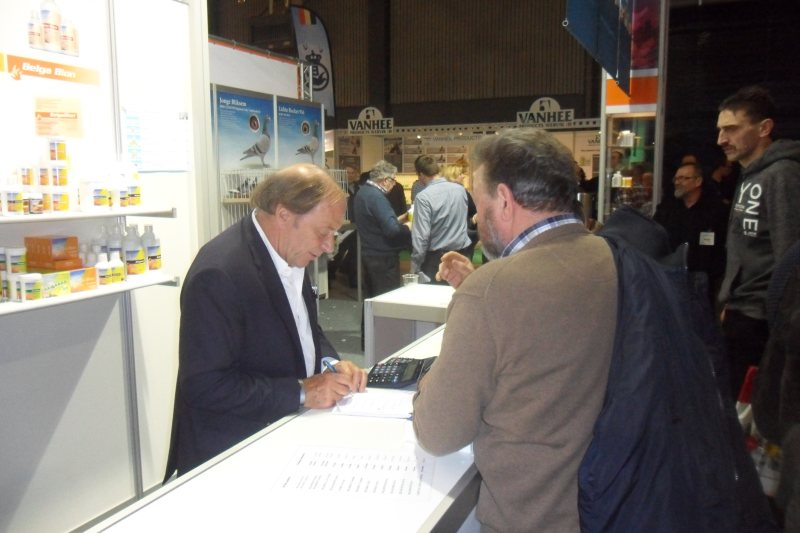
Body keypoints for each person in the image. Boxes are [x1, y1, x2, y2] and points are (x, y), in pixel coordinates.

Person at [413, 128, 619, 530]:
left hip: (529, 516)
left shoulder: (491, 290)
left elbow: (437, 432)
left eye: (478, 202)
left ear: (504, 200)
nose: (476, 217)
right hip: (611, 504)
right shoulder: (614, 257)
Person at [164, 164, 367, 479]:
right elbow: (205, 386)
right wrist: (301, 392)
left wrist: (330, 364)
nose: (330, 246)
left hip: (281, 436)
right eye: (323, 232)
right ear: (284, 214)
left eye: (334, 233)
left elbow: (304, 328)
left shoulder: (290, 250)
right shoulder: (219, 274)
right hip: (231, 456)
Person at [716, 85, 800, 397]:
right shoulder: (750, 174)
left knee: (750, 409)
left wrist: (782, 325)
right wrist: (729, 302)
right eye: (720, 130)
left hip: (764, 321)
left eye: (731, 129)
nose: (721, 139)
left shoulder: (782, 174)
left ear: (764, 128)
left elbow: (790, 256)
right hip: (742, 313)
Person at [654, 162, 728, 307]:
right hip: (671, 275)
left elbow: (724, 243)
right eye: (676, 178)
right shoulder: (667, 208)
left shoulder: (716, 209)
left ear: (698, 181)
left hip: (704, 279)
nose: (678, 182)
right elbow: (656, 235)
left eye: (683, 178)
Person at [352, 160, 411, 297]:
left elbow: (375, 222)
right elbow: (392, 231)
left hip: (370, 253)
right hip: (383, 257)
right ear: (385, 180)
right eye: (393, 180)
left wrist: (397, 220)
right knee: (386, 299)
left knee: (372, 298)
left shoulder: (363, 192)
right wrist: (408, 226)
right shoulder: (377, 197)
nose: (394, 184)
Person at [410, 155, 472, 283]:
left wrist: (415, 266)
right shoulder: (460, 190)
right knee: (459, 292)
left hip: (437, 261)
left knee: (434, 295)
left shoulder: (423, 197)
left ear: (420, 174)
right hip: (462, 255)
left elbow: (421, 237)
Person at [441, 163, 478, 261]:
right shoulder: (462, 192)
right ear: (452, 176)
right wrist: (473, 220)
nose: (463, 176)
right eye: (460, 174)